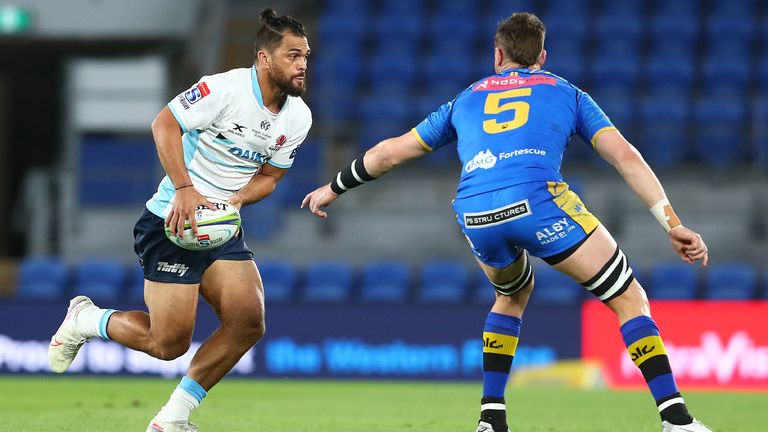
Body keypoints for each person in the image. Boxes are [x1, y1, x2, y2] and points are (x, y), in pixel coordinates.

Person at [302, 12, 711, 432]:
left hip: (476, 211)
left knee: (512, 295)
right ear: (542, 55)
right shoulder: (568, 93)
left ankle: (490, 417)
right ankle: (676, 419)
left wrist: (333, 188)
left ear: (498, 55)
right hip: (538, 203)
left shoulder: (465, 98)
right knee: (628, 298)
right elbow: (625, 156)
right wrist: (671, 223)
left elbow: (391, 153)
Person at [48, 8, 311, 432]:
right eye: (292, 56)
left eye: (305, 57)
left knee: (248, 321)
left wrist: (235, 201)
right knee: (167, 344)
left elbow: (271, 177)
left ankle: (171, 419)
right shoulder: (223, 90)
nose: (301, 65)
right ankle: (86, 319)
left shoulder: (299, 117)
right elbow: (163, 125)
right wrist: (187, 190)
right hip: (172, 222)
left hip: (219, 226)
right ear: (265, 58)